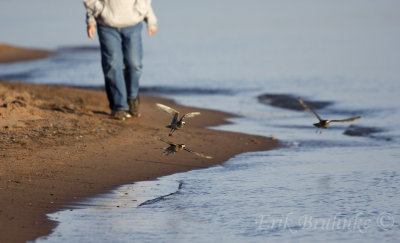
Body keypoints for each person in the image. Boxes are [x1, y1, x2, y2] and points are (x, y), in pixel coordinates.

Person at [83, 0, 157, 120]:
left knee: (135, 64)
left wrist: (150, 19)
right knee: (112, 65)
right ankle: (120, 106)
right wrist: (94, 16)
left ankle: (132, 98)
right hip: (107, 25)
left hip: (133, 24)